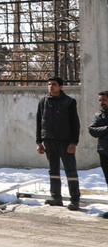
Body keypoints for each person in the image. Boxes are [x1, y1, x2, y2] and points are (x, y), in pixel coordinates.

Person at [35, 76, 81, 210]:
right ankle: (56, 198)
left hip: (65, 142)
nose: (51, 86)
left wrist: (74, 142)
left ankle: (75, 200)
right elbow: (39, 122)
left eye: (54, 84)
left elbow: (75, 124)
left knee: (71, 171)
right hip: (49, 142)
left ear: (61, 87)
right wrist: (39, 142)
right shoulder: (43, 101)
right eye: (49, 84)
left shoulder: (69, 102)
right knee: (53, 171)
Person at [88, 89, 108, 215]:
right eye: (100, 100)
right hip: (104, 152)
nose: (102, 103)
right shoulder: (98, 116)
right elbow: (92, 130)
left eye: (104, 100)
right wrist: (107, 128)